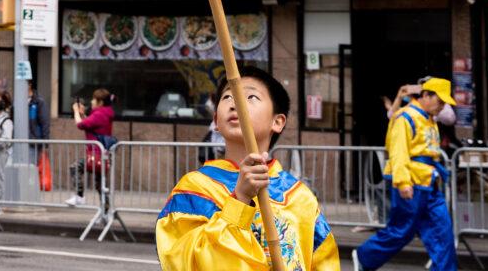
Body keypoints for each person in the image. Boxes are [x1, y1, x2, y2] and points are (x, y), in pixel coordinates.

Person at [156, 67, 339, 270]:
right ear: (216, 120)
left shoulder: (300, 197)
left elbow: (324, 262)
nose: (235, 103)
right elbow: (182, 262)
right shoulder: (194, 189)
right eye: (227, 97)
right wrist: (240, 200)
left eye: (251, 96)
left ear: (277, 121)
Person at [353, 77, 457, 271]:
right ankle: (365, 257)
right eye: (440, 101)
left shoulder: (428, 118)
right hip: (412, 181)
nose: (442, 107)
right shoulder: (405, 117)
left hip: (429, 182)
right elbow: (398, 151)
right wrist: (402, 182)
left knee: (442, 231)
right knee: (402, 231)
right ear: (426, 95)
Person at [66, 87, 115, 206]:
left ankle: (79, 196)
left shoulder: (100, 114)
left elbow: (81, 125)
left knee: (75, 167)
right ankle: (106, 213)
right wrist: (82, 114)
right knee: (100, 185)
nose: (92, 102)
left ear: (100, 102)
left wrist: (76, 112)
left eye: (94, 99)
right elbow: (89, 124)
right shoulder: (104, 114)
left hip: (96, 154)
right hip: (101, 154)